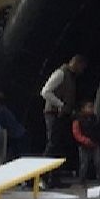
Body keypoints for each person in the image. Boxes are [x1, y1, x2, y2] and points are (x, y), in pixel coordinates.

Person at [39, 54, 86, 184]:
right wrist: (60, 105)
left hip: (63, 115)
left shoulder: (70, 76)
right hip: (54, 114)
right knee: (52, 145)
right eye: (82, 67)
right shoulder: (61, 73)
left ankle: (54, 177)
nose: (82, 71)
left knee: (58, 146)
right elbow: (45, 92)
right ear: (77, 63)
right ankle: (41, 175)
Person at [70, 100, 100, 185]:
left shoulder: (94, 118)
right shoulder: (78, 120)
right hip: (83, 145)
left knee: (98, 162)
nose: (91, 109)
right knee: (84, 163)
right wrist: (85, 140)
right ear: (83, 109)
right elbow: (76, 133)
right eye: (89, 107)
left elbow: (98, 129)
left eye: (92, 107)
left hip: (94, 143)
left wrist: (97, 139)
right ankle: (82, 179)